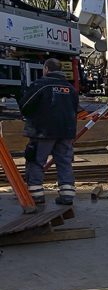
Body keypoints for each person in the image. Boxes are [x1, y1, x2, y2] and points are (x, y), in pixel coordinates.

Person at [18, 58, 80, 207]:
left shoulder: (40, 85)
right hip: (65, 132)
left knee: (36, 161)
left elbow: (25, 106)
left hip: (43, 132)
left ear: (46, 69)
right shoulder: (70, 88)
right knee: (64, 162)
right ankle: (67, 196)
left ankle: (36, 196)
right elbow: (75, 109)